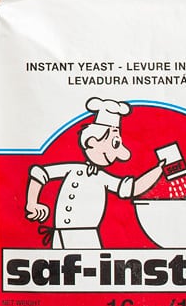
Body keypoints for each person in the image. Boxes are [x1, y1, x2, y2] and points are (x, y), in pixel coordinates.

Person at [24, 97, 164, 248]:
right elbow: (40, 173)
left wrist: (158, 169)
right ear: (92, 141)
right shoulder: (73, 168)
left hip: (86, 238)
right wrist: (32, 202)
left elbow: (132, 188)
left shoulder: (102, 177)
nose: (119, 154)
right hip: (58, 236)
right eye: (115, 143)